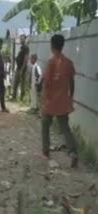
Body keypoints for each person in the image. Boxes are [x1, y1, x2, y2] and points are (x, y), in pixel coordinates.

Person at [42, 34, 78, 168]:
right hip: (63, 101)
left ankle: (45, 151)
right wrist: (70, 97)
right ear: (62, 45)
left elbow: (46, 83)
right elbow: (72, 82)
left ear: (52, 45)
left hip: (51, 101)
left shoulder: (51, 61)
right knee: (65, 129)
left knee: (45, 125)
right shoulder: (69, 63)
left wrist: (44, 98)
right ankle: (73, 153)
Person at [12, 34, 30, 101]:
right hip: (18, 67)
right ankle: (14, 97)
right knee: (16, 82)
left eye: (22, 39)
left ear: (25, 39)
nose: (21, 40)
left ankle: (21, 98)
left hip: (22, 68)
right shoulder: (22, 47)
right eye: (20, 38)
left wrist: (22, 69)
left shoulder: (26, 47)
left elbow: (26, 59)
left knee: (22, 83)